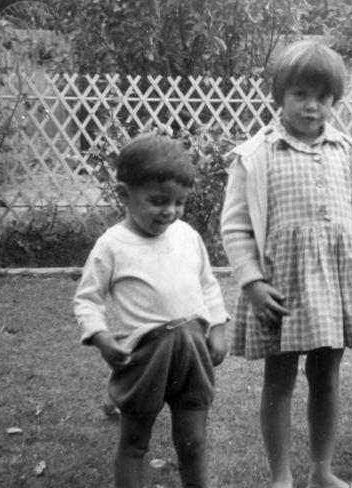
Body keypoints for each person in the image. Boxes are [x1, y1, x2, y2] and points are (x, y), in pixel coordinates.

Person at [221, 40, 352, 488]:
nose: (311, 106)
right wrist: (252, 282)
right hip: (282, 290)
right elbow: (236, 228)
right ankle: (281, 476)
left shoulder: (349, 154)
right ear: (280, 95)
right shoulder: (257, 157)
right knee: (278, 380)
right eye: (300, 94)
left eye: (322, 97)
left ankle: (321, 471)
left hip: (335, 287)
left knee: (326, 376)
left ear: (334, 101)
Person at [74, 133, 229, 488]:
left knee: (193, 440)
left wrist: (217, 326)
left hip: (192, 353)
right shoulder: (112, 245)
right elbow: (87, 299)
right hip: (146, 358)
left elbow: (208, 284)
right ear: (125, 194)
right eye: (159, 201)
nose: (170, 211)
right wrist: (101, 338)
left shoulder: (187, 235)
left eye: (179, 202)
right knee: (134, 442)